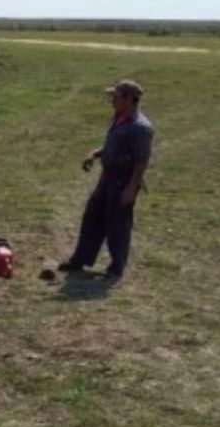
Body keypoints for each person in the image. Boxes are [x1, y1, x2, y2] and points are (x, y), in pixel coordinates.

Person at [59, 79, 154, 280]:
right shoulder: (119, 118)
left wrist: (131, 188)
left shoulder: (141, 128)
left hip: (124, 179)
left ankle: (116, 268)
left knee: (117, 223)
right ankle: (80, 260)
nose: (112, 99)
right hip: (108, 176)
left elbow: (141, 163)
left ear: (129, 98)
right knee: (92, 216)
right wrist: (95, 154)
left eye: (116, 96)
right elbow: (113, 146)